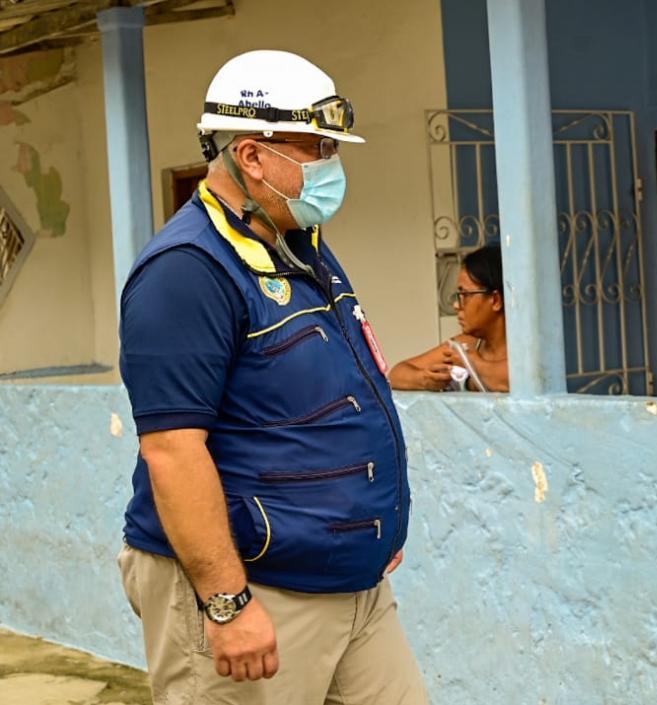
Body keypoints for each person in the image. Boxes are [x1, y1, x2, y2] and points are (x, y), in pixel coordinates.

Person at [117, 50, 428, 704]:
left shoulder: (298, 247)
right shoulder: (186, 272)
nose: (329, 166)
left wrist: (370, 522)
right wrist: (227, 605)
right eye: (316, 148)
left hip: (355, 587)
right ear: (252, 156)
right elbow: (173, 451)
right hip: (257, 591)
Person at [389, 246, 509, 393]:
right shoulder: (468, 345)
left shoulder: (530, 351)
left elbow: (515, 379)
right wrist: (424, 379)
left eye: (465, 295)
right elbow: (397, 374)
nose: (456, 305)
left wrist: (473, 364)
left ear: (495, 300)